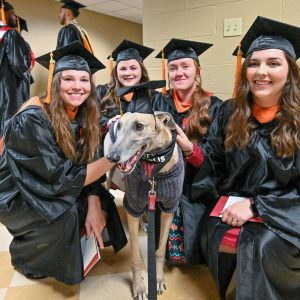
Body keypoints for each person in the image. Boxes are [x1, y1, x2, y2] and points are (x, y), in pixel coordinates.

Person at [178, 16, 300, 299]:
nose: (261, 71)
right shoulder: (230, 112)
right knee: (211, 228)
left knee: (262, 243)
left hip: (286, 209)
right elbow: (214, 164)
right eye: (254, 63)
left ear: (290, 73)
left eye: (273, 63)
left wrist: (257, 206)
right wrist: (188, 149)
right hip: (232, 203)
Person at [0, 41, 127, 285]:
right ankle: (29, 258)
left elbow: (85, 163)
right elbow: (59, 179)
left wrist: (93, 201)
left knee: (101, 199)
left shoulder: (83, 115)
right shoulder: (33, 118)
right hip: (16, 195)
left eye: (83, 79)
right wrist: (115, 156)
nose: (77, 87)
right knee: (65, 212)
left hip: (47, 184)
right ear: (55, 82)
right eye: (68, 79)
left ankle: (71, 246)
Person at [152, 38, 222, 264]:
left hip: (198, 187)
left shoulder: (215, 106)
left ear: (197, 71)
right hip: (165, 183)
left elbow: (219, 158)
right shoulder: (159, 103)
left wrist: (190, 149)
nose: (179, 73)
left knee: (195, 253)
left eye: (185, 66)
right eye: (173, 68)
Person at [97, 39, 154, 134]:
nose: (128, 73)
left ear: (141, 70)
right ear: (116, 72)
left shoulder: (153, 97)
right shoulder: (102, 92)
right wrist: (107, 122)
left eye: (133, 68)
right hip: (106, 147)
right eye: (123, 69)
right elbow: (88, 115)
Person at [0, 1, 32, 137]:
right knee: (10, 122)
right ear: (4, 14)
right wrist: (27, 75)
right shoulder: (10, 34)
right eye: (12, 14)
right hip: (10, 89)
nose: (15, 17)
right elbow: (18, 64)